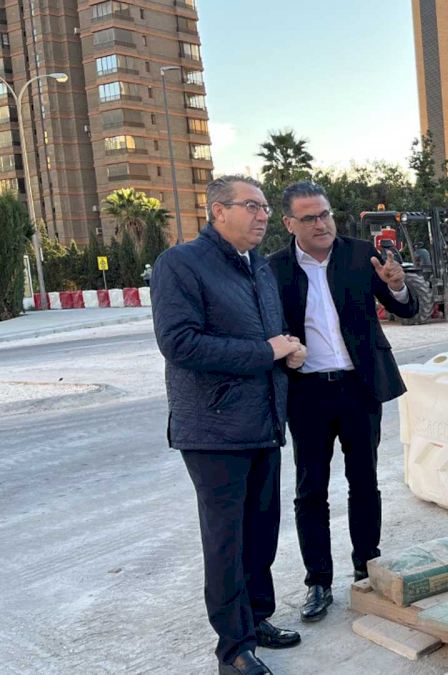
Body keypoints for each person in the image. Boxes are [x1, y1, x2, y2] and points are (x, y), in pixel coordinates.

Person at [151, 175, 305, 675]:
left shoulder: (257, 266)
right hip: (213, 428)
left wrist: (288, 348)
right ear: (218, 211)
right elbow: (180, 343)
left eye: (265, 207)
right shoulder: (181, 263)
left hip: (263, 421)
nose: (264, 215)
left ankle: (256, 620)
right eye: (252, 206)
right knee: (226, 542)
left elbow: (266, 335)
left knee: (261, 532)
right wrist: (266, 351)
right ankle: (233, 649)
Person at [268, 181, 419, 622]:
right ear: (289, 223)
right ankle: (318, 581)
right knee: (310, 490)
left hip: (359, 387)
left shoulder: (361, 255)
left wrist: (399, 286)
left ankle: (367, 567)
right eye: (309, 218)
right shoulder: (273, 269)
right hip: (307, 393)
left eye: (325, 215)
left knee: (364, 481)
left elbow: (406, 309)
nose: (321, 225)